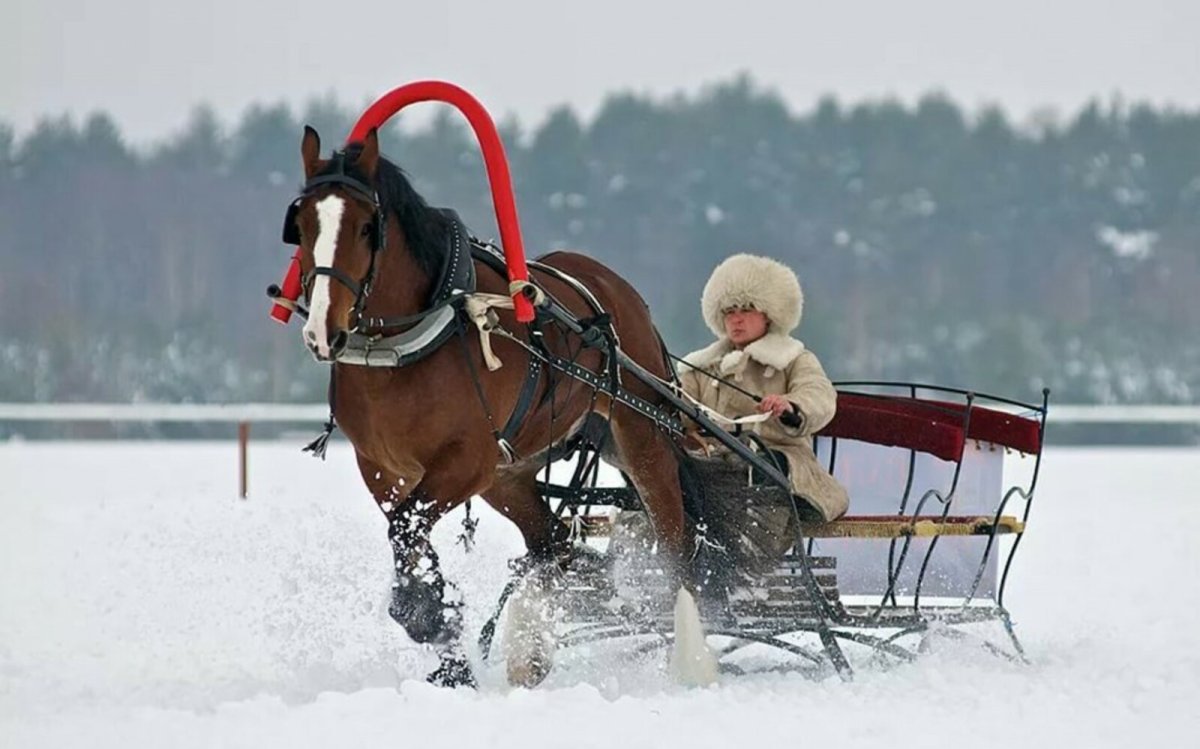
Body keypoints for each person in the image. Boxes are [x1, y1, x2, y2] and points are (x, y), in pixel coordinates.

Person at [678, 253, 849, 522]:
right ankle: (628, 554)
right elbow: (678, 406)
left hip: (777, 466)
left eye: (746, 309)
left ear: (769, 315)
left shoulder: (794, 359)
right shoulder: (700, 367)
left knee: (764, 472)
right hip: (709, 466)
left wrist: (790, 406)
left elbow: (819, 396)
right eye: (729, 311)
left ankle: (738, 558)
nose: (736, 319)